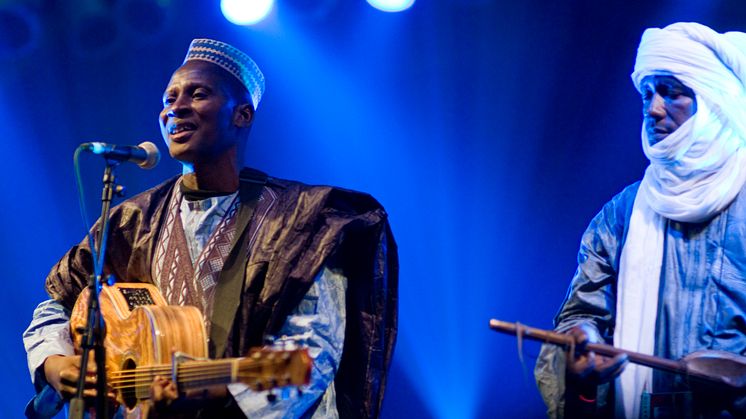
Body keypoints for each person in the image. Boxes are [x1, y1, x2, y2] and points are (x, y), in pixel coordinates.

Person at [23, 39, 398, 418]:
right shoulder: (132, 221)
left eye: (197, 94)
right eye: (169, 99)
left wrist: (210, 395)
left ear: (243, 115)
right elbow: (57, 305)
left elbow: (312, 352)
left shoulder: (303, 219)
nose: (176, 108)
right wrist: (56, 364)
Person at [534, 22, 746, 418]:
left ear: (714, 99)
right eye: (647, 93)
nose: (653, 108)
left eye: (671, 91)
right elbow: (581, 315)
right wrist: (581, 345)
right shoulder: (621, 214)